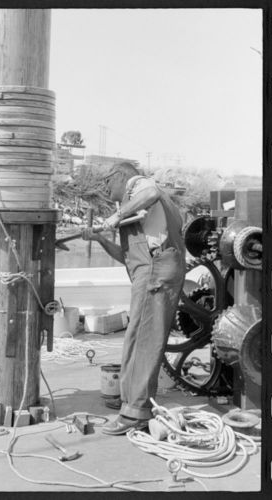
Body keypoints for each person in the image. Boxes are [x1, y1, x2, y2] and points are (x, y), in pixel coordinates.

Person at [82, 162, 186, 435]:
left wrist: (115, 218)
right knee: (138, 337)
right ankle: (131, 401)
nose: (105, 189)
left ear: (121, 176)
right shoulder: (135, 206)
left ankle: (134, 413)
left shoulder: (140, 186)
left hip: (156, 271)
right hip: (149, 270)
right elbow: (128, 258)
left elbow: (150, 192)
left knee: (142, 340)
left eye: (107, 182)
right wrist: (101, 238)